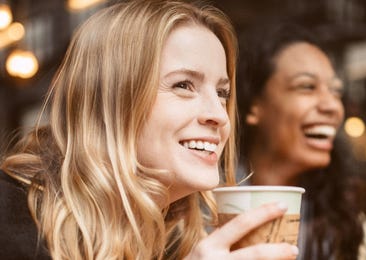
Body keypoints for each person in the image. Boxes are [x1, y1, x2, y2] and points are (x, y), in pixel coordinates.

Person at [0, 1, 300, 259]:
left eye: (222, 93)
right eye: (183, 85)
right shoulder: (10, 218)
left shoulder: (175, 243)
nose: (219, 115)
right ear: (112, 102)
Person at [236, 20, 366, 259]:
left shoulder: (349, 225)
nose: (333, 106)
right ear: (254, 105)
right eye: (306, 87)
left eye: (335, 91)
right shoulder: (194, 213)